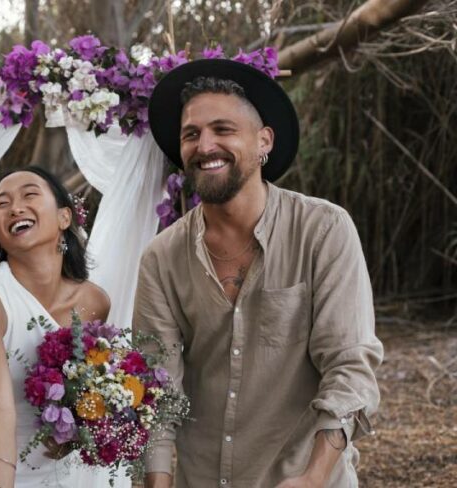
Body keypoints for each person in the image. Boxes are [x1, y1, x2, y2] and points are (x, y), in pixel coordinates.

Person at [135, 59, 383, 487]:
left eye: (223, 129)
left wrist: (313, 476)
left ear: (264, 140)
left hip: (305, 476)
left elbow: (349, 365)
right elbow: (158, 390)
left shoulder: (322, 230)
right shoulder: (161, 257)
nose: (205, 145)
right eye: (191, 134)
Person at [0, 166, 122, 488]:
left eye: (30, 194)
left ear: (64, 218)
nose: (15, 207)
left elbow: (88, 395)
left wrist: (77, 435)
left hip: (57, 474)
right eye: (1, 204)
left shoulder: (94, 302)